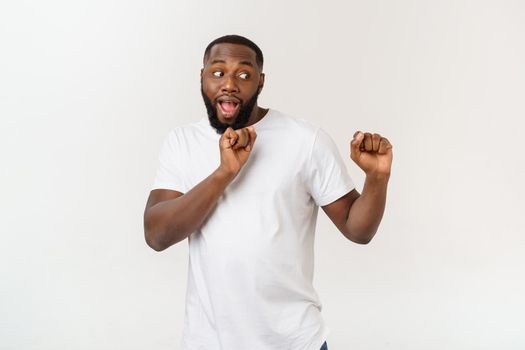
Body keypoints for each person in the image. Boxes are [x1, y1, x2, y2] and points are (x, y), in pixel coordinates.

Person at [143, 34, 393, 350]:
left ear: (260, 83)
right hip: (207, 342)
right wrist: (224, 174)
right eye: (218, 72)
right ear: (202, 76)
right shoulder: (182, 143)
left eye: (243, 74)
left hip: (294, 342)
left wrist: (377, 178)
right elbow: (156, 235)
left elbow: (358, 230)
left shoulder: (306, 140)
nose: (229, 84)